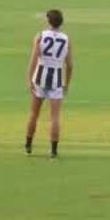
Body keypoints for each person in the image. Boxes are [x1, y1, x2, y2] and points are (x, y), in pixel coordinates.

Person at [25, 9, 73, 158]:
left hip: (40, 77)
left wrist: (29, 78)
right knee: (55, 117)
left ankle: (28, 144)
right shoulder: (66, 39)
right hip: (57, 79)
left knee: (34, 113)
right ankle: (53, 150)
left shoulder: (40, 36)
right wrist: (66, 83)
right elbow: (70, 65)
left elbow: (34, 58)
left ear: (48, 21)